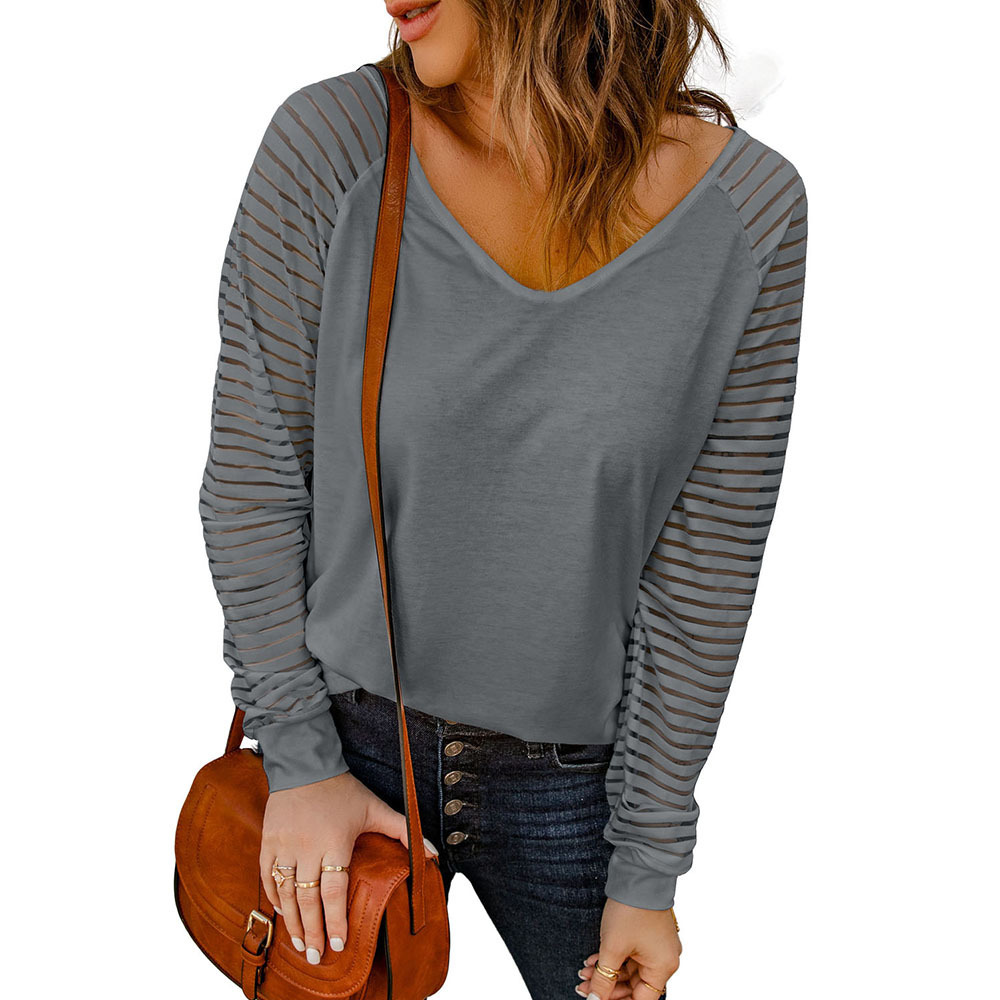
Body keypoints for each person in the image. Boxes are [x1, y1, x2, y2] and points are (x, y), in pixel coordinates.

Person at [197, 2, 808, 997]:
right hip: (346, 744)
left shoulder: (749, 213)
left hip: (583, 793)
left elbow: (702, 573)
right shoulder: (335, 145)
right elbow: (255, 482)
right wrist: (301, 763)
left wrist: (646, 866)